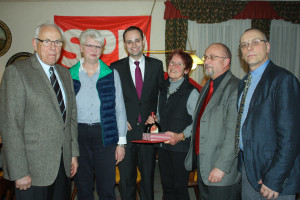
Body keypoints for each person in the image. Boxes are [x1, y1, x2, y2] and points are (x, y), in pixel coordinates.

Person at [0, 23, 79, 200]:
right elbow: (11, 125)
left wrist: (73, 153)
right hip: (31, 169)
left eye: (58, 42)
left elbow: (71, 118)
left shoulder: (65, 73)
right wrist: (19, 171)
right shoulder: (17, 72)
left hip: (63, 165)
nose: (53, 47)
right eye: (47, 41)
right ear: (35, 44)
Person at [236, 28, 300, 200]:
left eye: (255, 42)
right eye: (244, 45)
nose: (249, 48)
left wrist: (274, 179)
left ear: (268, 47)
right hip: (249, 169)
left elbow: (291, 137)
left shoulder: (283, 80)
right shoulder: (244, 83)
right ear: (241, 53)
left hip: (273, 179)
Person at [69, 29, 127, 200]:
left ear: (102, 49)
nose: (94, 50)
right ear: (81, 48)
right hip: (78, 135)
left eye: (98, 46)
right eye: (89, 46)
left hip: (105, 135)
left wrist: (121, 144)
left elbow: (120, 109)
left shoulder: (111, 74)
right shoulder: (69, 74)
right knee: (83, 186)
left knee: (107, 187)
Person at [110, 26, 164, 200]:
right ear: (125, 45)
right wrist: (118, 119)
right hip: (126, 131)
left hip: (149, 131)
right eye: (129, 42)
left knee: (148, 178)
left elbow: (161, 94)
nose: (134, 45)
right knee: (127, 180)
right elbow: (110, 98)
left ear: (143, 41)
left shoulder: (156, 65)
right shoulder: (115, 67)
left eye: (137, 40)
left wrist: (156, 115)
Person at [185, 43, 241, 200]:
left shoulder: (235, 87)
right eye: (205, 57)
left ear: (226, 61)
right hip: (204, 166)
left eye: (212, 57)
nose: (206, 61)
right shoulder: (207, 86)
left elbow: (233, 133)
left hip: (221, 171)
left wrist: (221, 167)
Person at [146, 50, 199, 200]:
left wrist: (181, 136)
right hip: (163, 146)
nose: (173, 66)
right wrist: (154, 120)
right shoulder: (162, 88)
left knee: (179, 189)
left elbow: (197, 122)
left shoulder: (191, 92)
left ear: (186, 70)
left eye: (179, 64)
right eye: (171, 62)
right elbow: (159, 115)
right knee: (167, 186)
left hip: (181, 148)